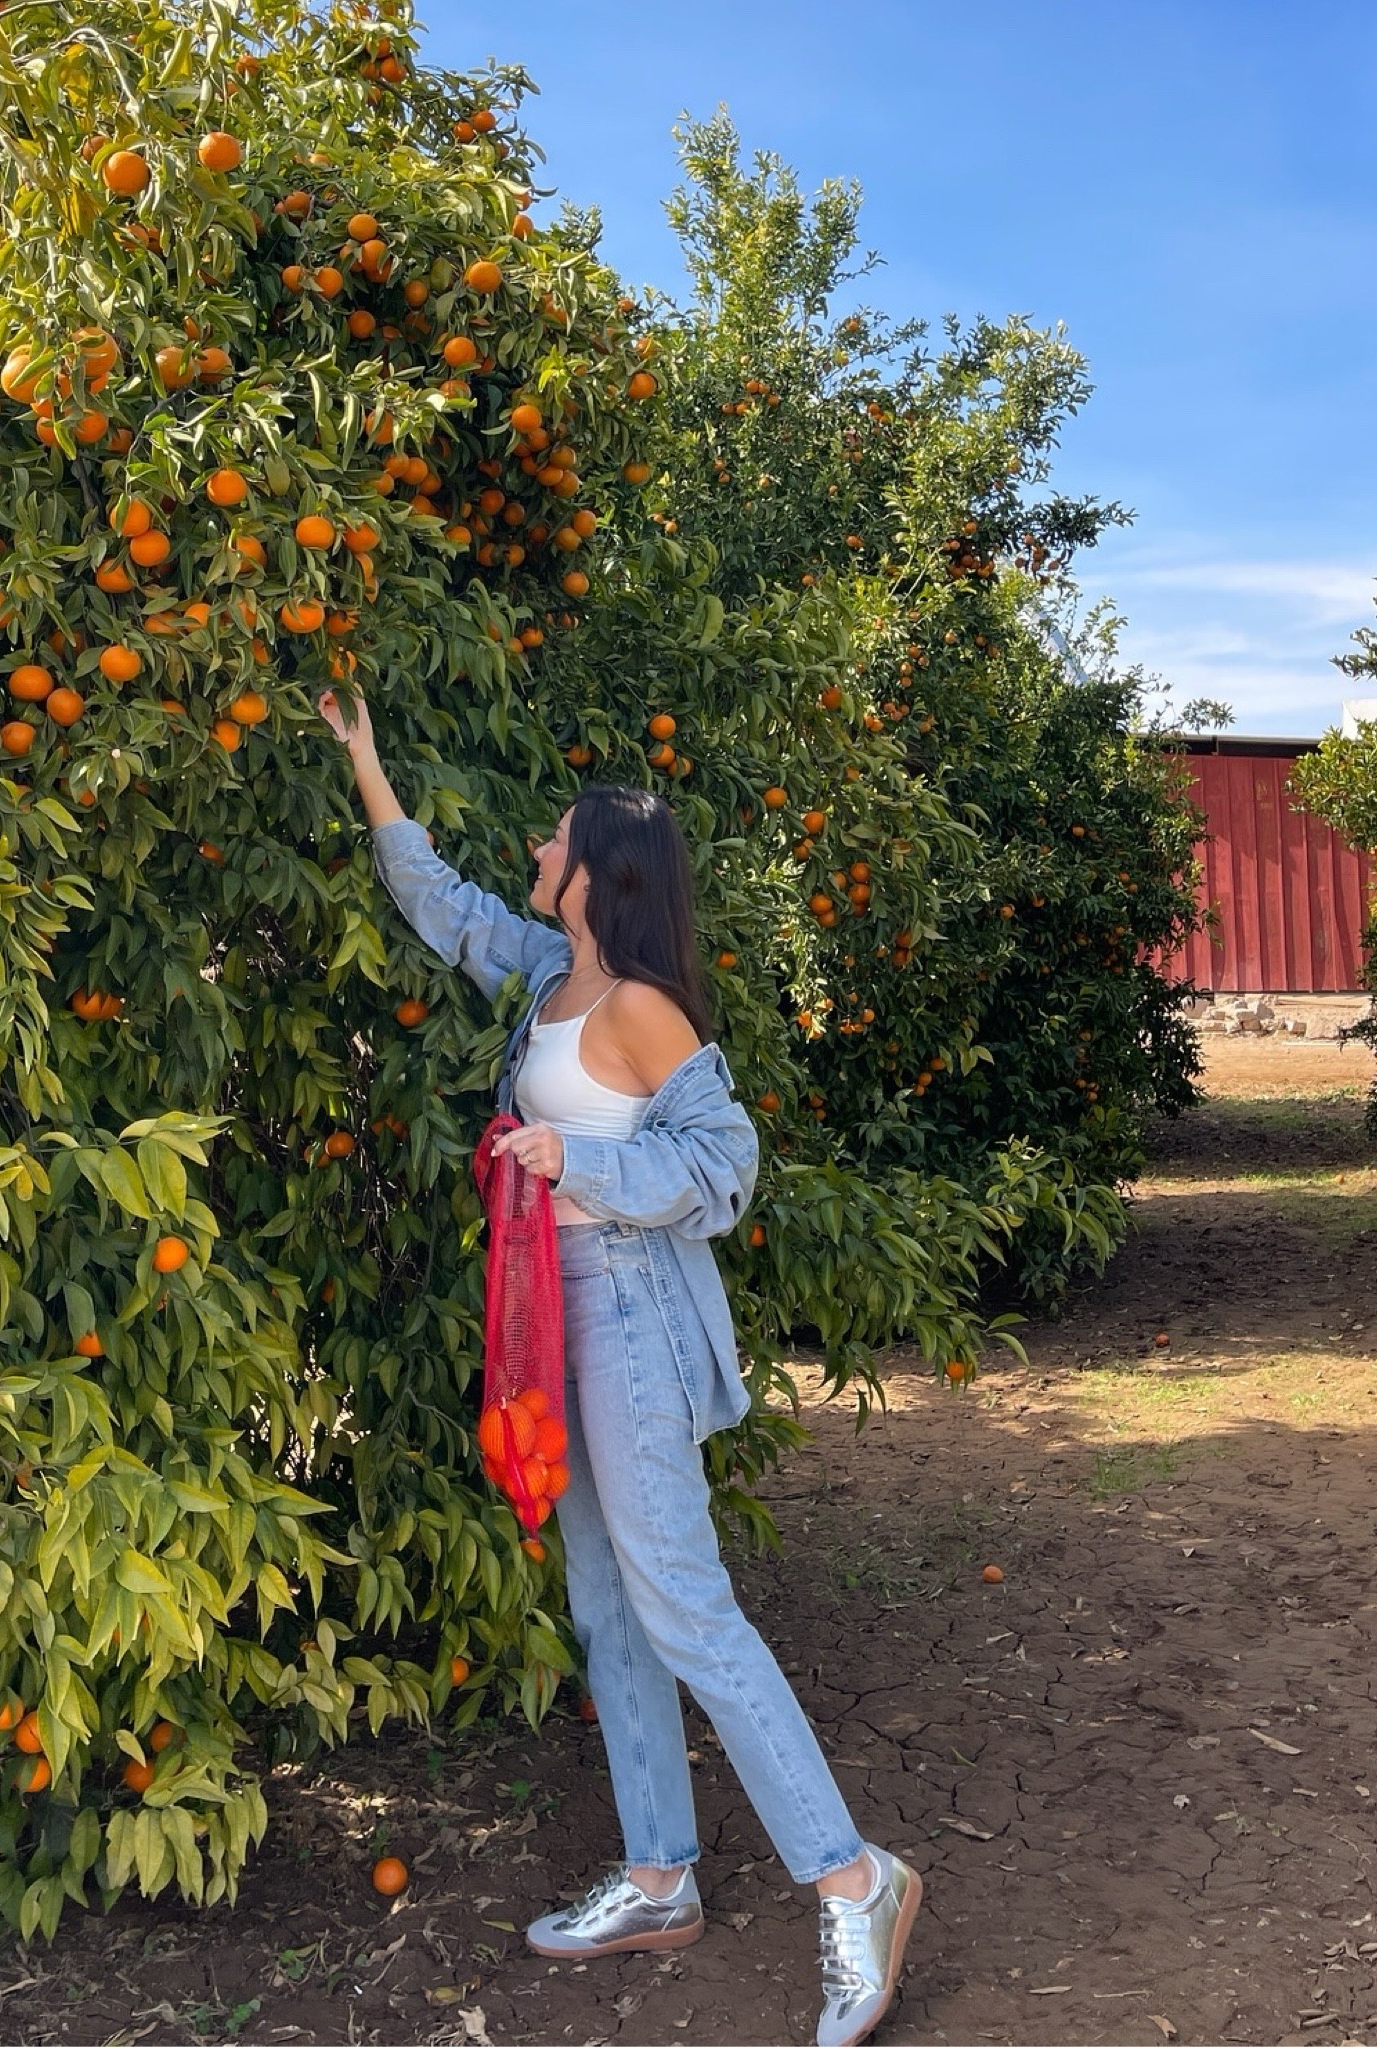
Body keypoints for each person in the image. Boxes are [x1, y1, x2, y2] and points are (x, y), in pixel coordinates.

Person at [319, 685, 922, 2048]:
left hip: (634, 1313)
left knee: (687, 1608)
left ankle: (855, 1878)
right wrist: (367, 760)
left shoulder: (644, 1008)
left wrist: (569, 1156)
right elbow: (441, 902)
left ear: (600, 874)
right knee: (607, 1602)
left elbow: (724, 1168)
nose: (536, 855)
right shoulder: (549, 972)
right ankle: (659, 1877)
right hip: (551, 1311)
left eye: (553, 845)